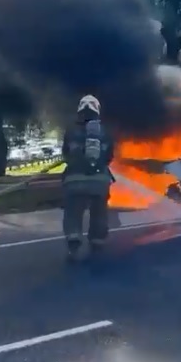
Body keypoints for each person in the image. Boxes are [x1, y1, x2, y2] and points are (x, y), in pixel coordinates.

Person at [61, 94, 115, 257]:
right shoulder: (105, 132)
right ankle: (97, 241)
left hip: (74, 180)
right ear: (97, 110)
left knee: (73, 210)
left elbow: (66, 154)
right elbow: (109, 156)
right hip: (99, 181)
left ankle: (74, 240)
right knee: (99, 211)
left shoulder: (70, 131)